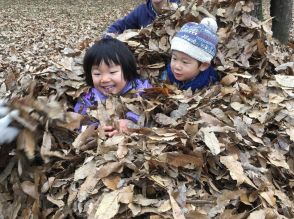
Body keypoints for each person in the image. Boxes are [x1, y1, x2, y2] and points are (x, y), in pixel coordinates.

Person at [74, 38, 151, 136]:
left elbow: (150, 107)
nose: (104, 79)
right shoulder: (89, 97)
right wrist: (96, 129)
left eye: (112, 72)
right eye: (97, 74)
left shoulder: (140, 87)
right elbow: (79, 119)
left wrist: (131, 122)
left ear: (126, 69)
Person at [161, 18, 220, 92]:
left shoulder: (208, 82)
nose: (177, 66)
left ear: (203, 65)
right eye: (174, 58)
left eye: (185, 62)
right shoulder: (169, 71)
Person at [107, 0, 180, 35]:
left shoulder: (182, 8)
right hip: (152, 60)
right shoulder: (142, 11)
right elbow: (119, 26)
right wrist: (106, 38)